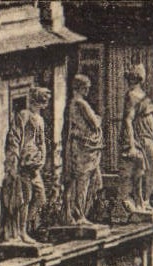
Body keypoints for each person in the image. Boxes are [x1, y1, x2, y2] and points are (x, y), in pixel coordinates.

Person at [118, 64, 153, 217]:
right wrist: (131, 145)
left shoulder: (140, 93)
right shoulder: (130, 95)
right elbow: (128, 120)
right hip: (141, 136)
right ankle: (141, 201)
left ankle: (144, 201)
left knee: (150, 171)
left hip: (150, 134)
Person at [0, 86, 51, 244]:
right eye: (43, 99)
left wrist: (42, 158)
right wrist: (14, 163)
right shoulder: (24, 115)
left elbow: (41, 142)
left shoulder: (40, 119)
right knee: (24, 198)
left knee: (40, 197)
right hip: (23, 163)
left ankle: (23, 228)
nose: (45, 102)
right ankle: (20, 232)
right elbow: (14, 138)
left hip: (34, 163)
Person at [63, 73, 103, 225]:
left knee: (82, 181)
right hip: (84, 149)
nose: (88, 90)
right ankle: (79, 215)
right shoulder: (81, 103)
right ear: (80, 88)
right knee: (83, 181)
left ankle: (76, 214)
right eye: (86, 88)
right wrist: (97, 119)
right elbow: (95, 123)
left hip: (80, 146)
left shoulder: (72, 103)